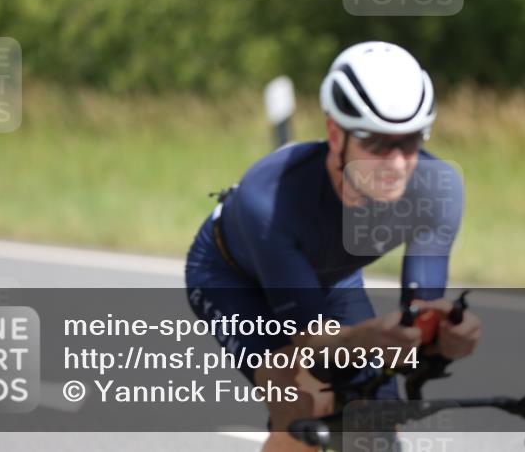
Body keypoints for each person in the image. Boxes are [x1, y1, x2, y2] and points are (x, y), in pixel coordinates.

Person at [184, 41, 481, 451]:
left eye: (411, 141)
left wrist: (443, 338)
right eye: (376, 143)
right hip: (232, 279)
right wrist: (373, 336)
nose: (396, 164)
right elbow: (312, 344)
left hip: (329, 280)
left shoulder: (437, 190)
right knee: (303, 401)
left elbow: (418, 320)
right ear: (334, 133)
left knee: (376, 413)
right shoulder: (268, 199)